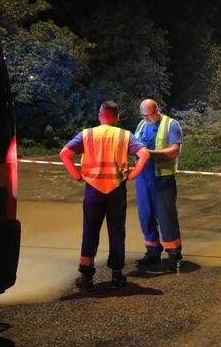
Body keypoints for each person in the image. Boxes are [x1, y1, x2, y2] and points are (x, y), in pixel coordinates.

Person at [60, 101, 150, 290]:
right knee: (117, 232)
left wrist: (77, 176)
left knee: (90, 231)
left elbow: (64, 154)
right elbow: (145, 154)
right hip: (117, 189)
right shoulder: (125, 135)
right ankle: (116, 277)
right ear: (117, 117)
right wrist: (133, 174)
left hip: (93, 189)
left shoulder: (87, 134)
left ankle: (86, 278)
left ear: (99, 115)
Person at [133, 99, 184, 273]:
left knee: (166, 217)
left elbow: (174, 151)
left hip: (162, 178)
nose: (147, 117)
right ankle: (152, 251)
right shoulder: (140, 125)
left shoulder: (172, 124)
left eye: (150, 114)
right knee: (145, 215)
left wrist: (150, 154)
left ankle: (174, 254)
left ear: (157, 109)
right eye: (144, 115)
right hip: (142, 178)